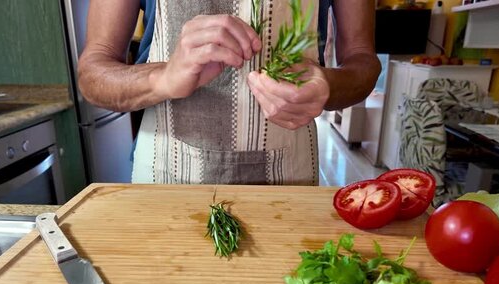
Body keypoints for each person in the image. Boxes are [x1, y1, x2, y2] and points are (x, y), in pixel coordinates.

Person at [78, 0, 380, 185]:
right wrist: (163, 77)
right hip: (165, 177)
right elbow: (92, 75)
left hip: (289, 183)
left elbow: (364, 63)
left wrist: (327, 86)